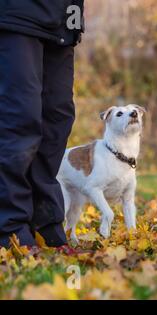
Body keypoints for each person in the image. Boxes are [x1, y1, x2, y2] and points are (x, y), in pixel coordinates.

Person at [0, 0, 84, 248]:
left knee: (57, 118)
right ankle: (10, 227)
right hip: (17, 13)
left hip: (65, 20)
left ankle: (44, 221)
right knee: (20, 118)